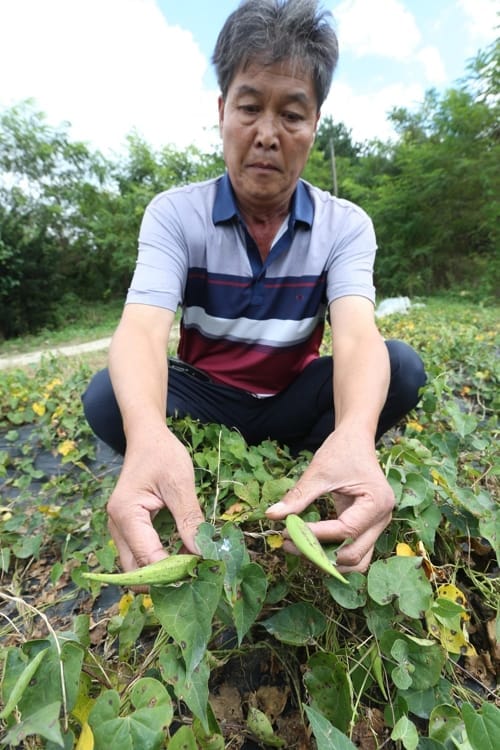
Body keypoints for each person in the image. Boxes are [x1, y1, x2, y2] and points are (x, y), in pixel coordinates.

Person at [82, 0, 426, 575]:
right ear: (222, 110)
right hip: (210, 396)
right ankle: (166, 458)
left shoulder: (346, 225)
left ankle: (332, 455)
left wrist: (359, 433)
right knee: (107, 396)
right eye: (248, 107)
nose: (267, 134)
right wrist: (145, 433)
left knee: (401, 367)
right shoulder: (174, 216)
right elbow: (141, 330)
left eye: (292, 114)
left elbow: (359, 336)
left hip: (291, 395)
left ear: (315, 123)